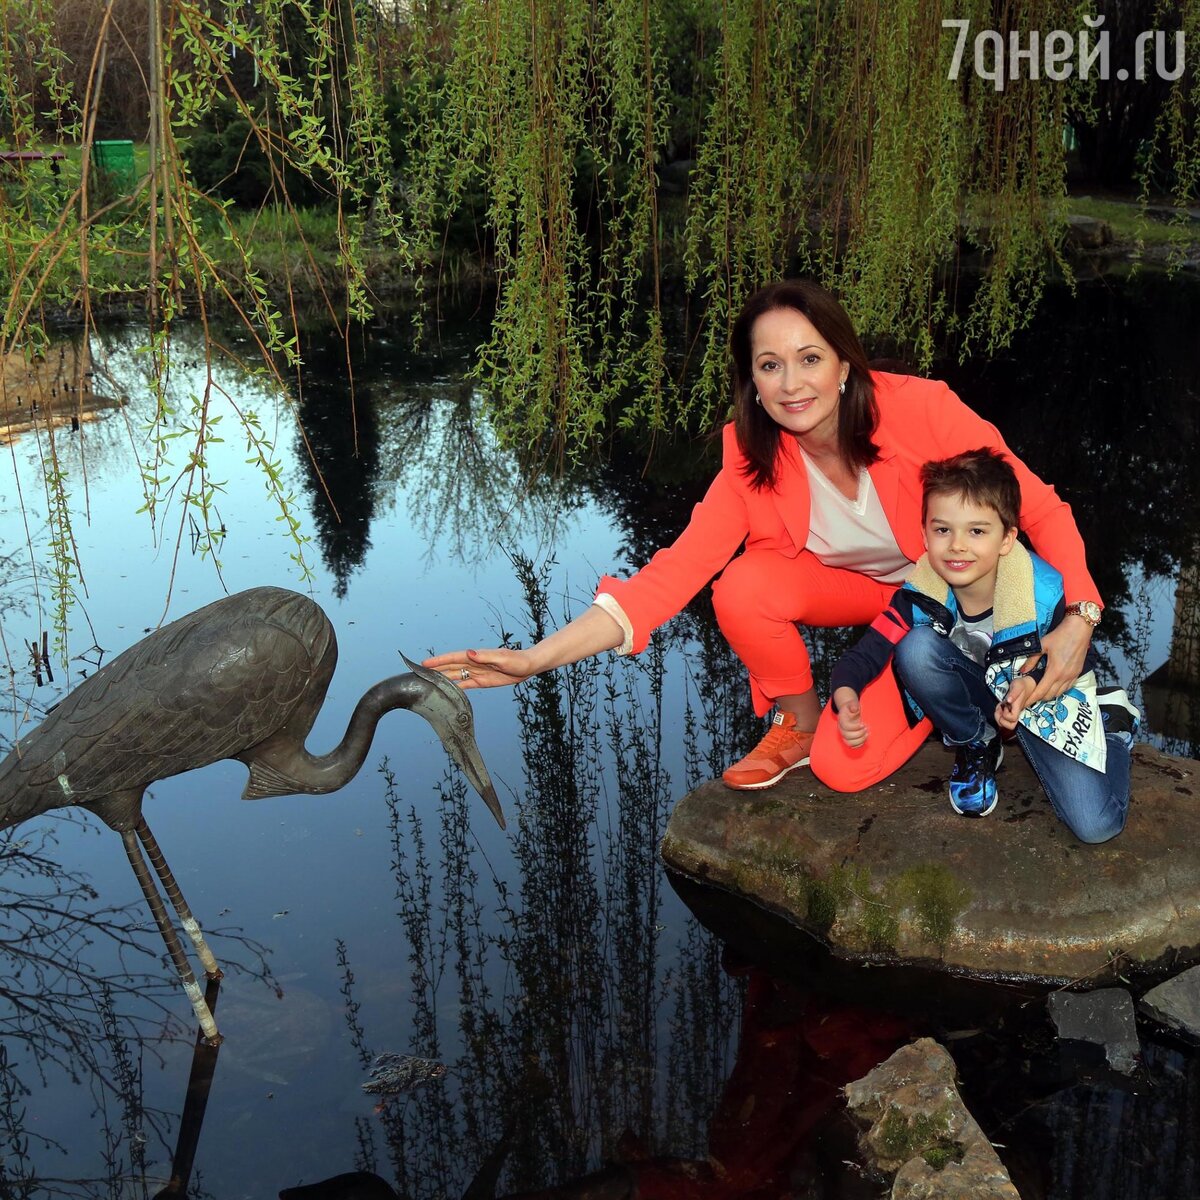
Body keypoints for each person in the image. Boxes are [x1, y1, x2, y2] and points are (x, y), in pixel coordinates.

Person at [424, 280, 1103, 794]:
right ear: (751, 381)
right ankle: (801, 723)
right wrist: (535, 659)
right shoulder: (752, 465)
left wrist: (1080, 615)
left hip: (949, 597)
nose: (792, 383)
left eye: (809, 358)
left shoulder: (922, 411)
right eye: (770, 365)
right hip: (872, 602)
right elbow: (664, 582)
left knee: (847, 768)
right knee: (744, 588)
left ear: (844, 365)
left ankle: (943, 684)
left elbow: (1041, 511)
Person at [829, 449, 1135, 841]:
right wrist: (845, 691)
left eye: (977, 531)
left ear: (1007, 539)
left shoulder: (1043, 590)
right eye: (943, 530)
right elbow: (867, 651)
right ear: (924, 533)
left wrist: (1030, 684)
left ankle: (1114, 726)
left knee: (1096, 827)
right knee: (915, 648)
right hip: (991, 699)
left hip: (1045, 699)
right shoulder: (919, 594)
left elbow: (1075, 658)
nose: (957, 546)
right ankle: (977, 742)